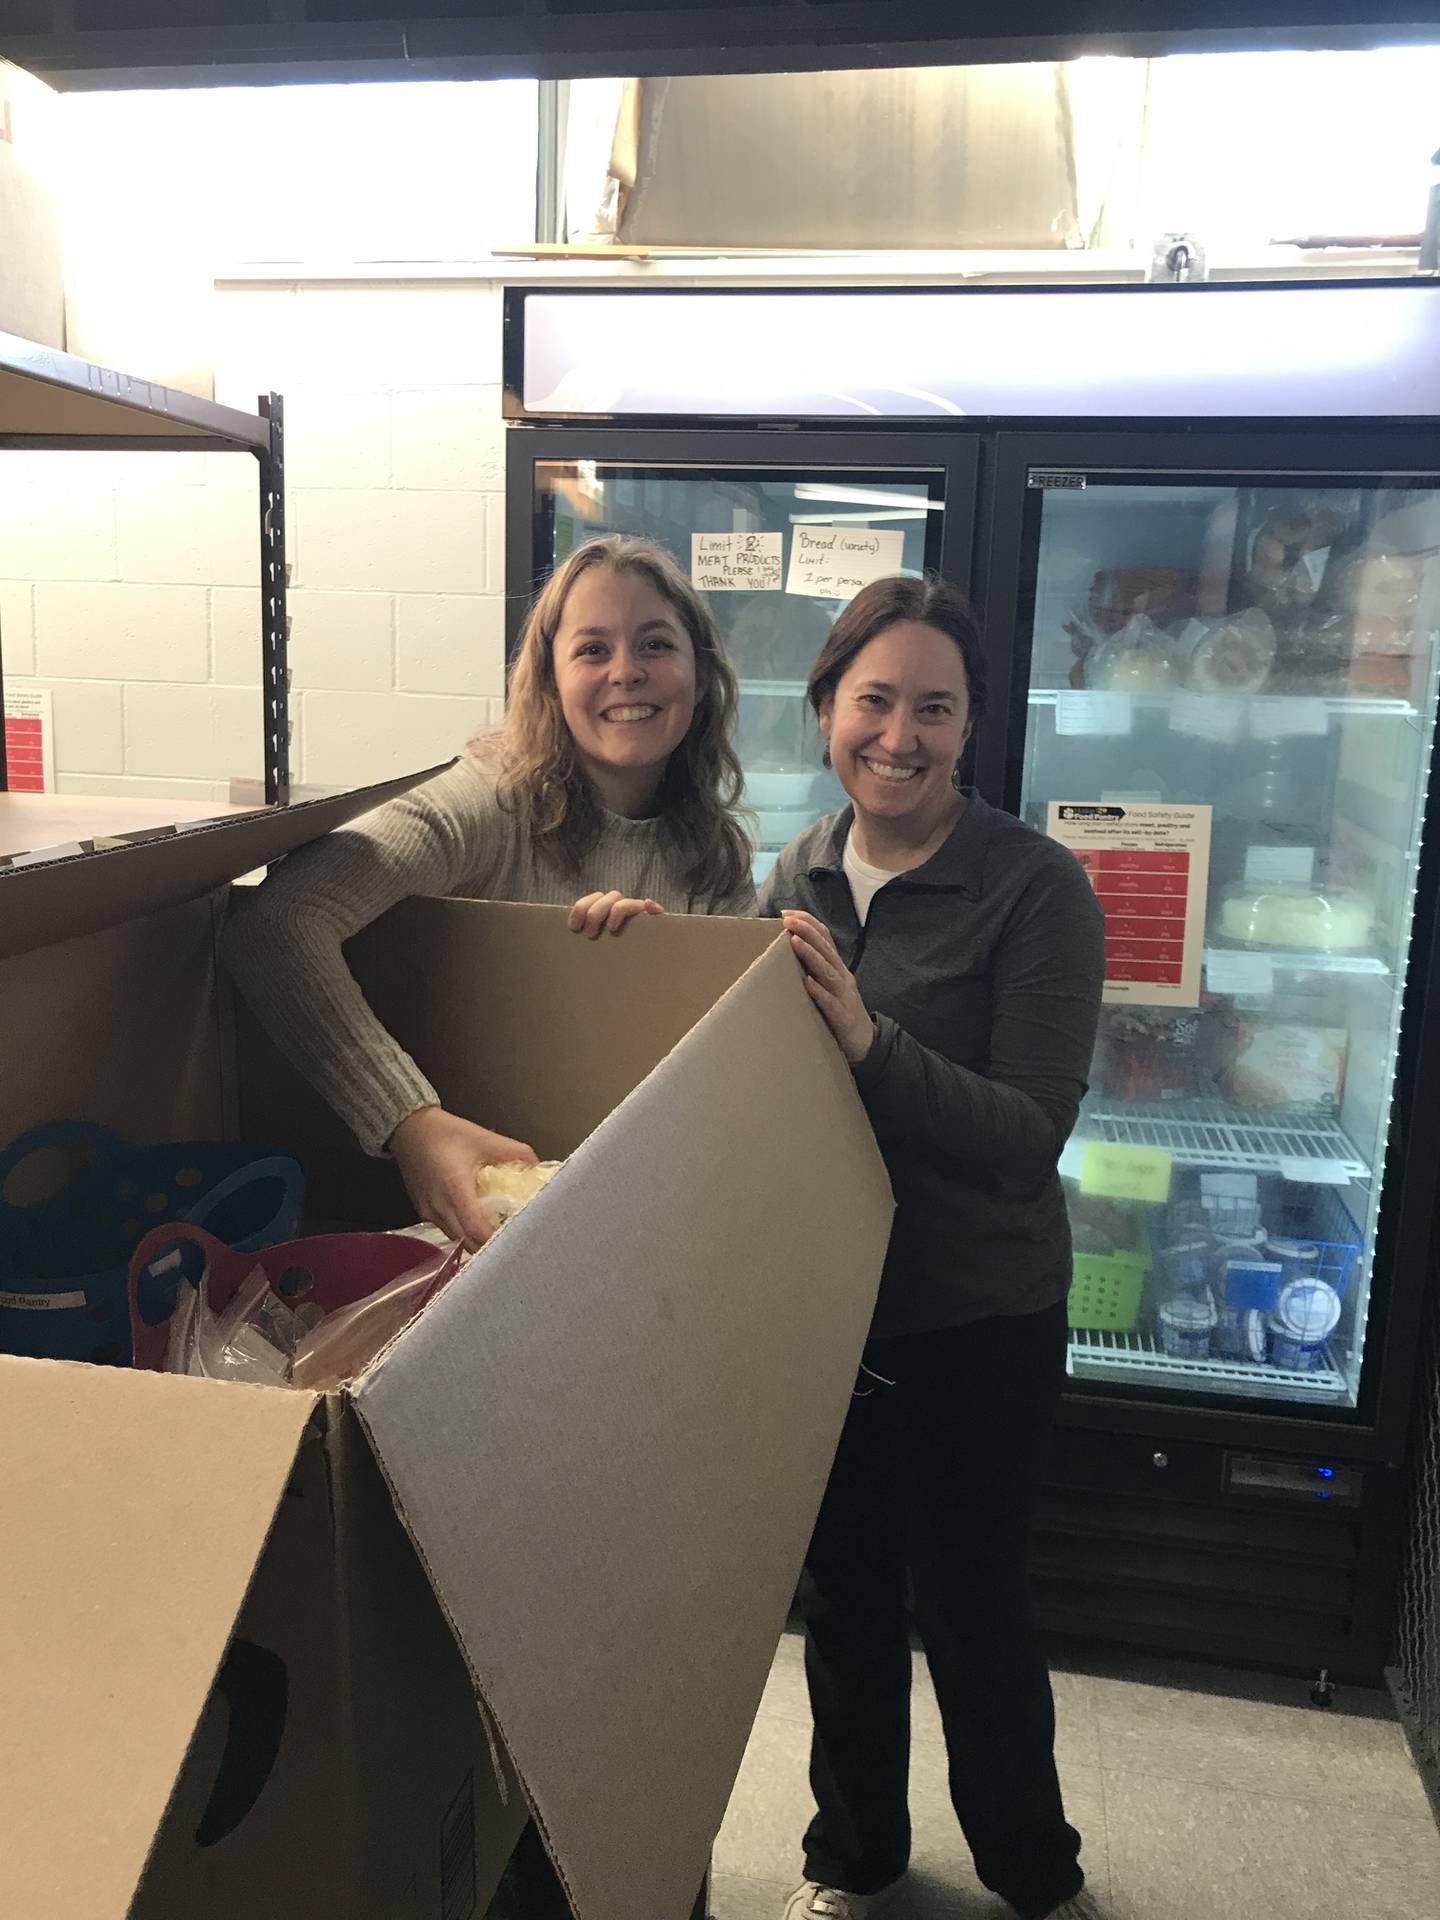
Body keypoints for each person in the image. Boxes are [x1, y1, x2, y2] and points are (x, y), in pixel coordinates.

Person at [758, 574, 1106, 1920]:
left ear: (972, 729)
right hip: (831, 1308)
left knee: (975, 1612)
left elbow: (1028, 1133)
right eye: (875, 701)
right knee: (843, 1606)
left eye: (936, 709)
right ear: (830, 710)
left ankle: (1033, 1872)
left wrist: (864, 1038)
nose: (900, 735)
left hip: (980, 1314)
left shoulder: (1035, 888)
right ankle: (854, 1859)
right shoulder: (792, 872)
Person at [223, 530, 755, 1253]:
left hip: (635, 1227)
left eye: (656, 644)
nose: (626, 671)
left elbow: (729, 1087)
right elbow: (274, 926)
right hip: (450, 1230)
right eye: (592, 649)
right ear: (549, 681)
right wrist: (408, 1122)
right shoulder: (490, 805)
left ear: (701, 674)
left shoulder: (714, 858)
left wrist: (646, 978)